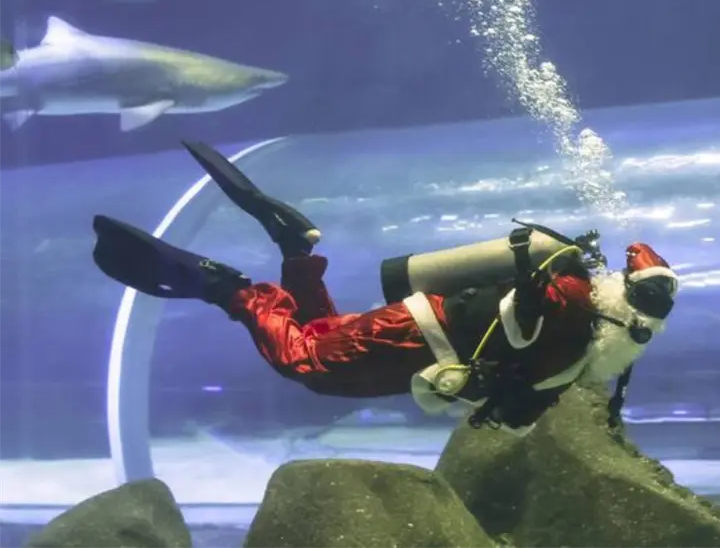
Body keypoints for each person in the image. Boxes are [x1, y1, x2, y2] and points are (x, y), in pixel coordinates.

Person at [91, 140, 679, 436]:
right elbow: (519, 380)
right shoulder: (577, 330)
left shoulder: (580, 303)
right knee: (309, 365)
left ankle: (298, 252)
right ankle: (234, 291)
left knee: (324, 335)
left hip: (420, 332)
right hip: (422, 340)